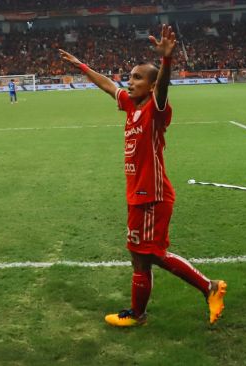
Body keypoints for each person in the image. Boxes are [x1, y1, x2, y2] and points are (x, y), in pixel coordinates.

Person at [59, 24, 227, 327]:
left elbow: (162, 88)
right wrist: (82, 66)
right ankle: (139, 313)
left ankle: (207, 287)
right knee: (139, 256)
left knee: (151, 253)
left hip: (152, 195)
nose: (130, 81)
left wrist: (166, 61)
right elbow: (109, 86)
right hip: (137, 194)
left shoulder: (155, 109)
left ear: (150, 86)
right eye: (131, 76)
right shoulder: (130, 107)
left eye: (137, 77)